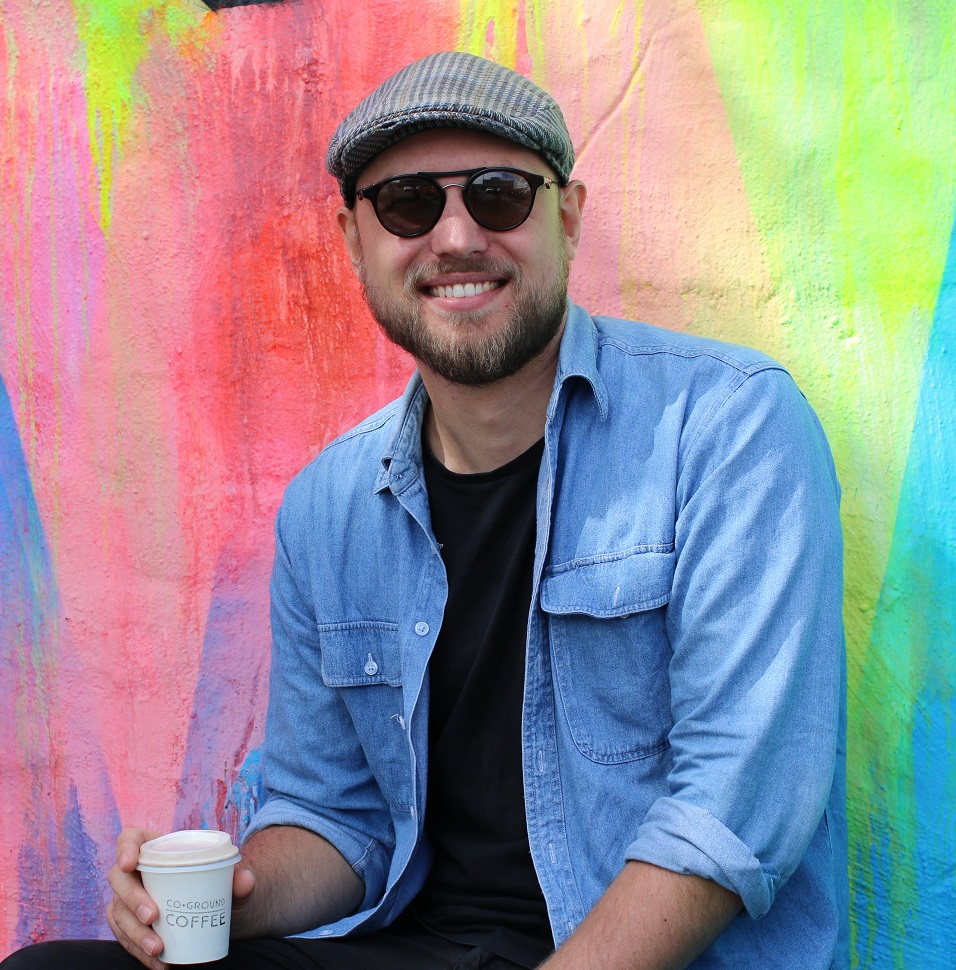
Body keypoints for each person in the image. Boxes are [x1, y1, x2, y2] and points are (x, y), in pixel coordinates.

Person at [2, 51, 848, 970]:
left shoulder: (727, 428)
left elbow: (730, 810)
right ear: (354, 239)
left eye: (499, 195)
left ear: (567, 217)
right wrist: (220, 900)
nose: (454, 237)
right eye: (407, 204)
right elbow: (336, 818)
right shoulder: (328, 508)